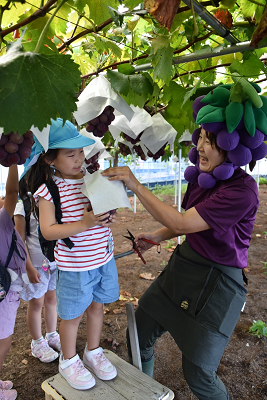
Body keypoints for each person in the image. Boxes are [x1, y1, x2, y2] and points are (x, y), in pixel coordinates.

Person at [102, 90, 267, 399]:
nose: (200, 147)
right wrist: (158, 237)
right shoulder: (202, 177)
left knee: (199, 375)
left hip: (217, 284)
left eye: (210, 141)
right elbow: (187, 224)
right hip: (185, 266)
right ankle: (145, 393)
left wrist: (134, 184)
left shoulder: (243, 191)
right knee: (138, 333)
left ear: (234, 147)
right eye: (200, 137)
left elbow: (182, 222)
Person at [26, 118, 119, 391]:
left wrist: (108, 212)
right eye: (70, 154)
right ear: (50, 160)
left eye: (80, 151)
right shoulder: (48, 190)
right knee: (73, 315)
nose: (79, 158)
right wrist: (85, 224)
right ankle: (68, 361)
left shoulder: (92, 179)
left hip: (102, 258)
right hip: (76, 265)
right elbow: (48, 230)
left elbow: (102, 213)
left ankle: (93, 351)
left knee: (97, 306)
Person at [14, 172, 61, 363]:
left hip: (55, 263)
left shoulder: (51, 201)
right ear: (27, 179)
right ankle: (37, 342)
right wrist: (28, 268)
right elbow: (20, 241)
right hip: (35, 265)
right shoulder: (22, 206)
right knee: (37, 303)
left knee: (52, 299)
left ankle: (52, 334)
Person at [0, 165, 28, 400]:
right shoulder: (1, 220)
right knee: (3, 342)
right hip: (3, 295)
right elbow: (11, 193)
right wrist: (12, 161)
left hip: (5, 291)